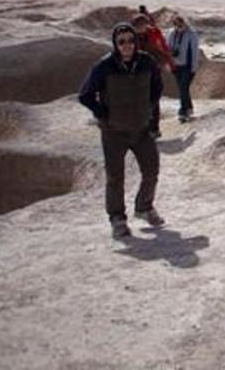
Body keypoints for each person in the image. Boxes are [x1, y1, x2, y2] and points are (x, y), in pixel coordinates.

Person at [78, 23, 165, 238]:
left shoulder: (147, 62)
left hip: (141, 129)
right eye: (122, 41)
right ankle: (117, 218)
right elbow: (85, 95)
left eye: (131, 40)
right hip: (114, 132)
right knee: (115, 177)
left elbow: (157, 88)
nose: (127, 45)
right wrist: (103, 114)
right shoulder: (104, 66)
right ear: (116, 44)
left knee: (152, 170)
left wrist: (150, 112)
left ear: (136, 41)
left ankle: (144, 207)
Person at [167, 14, 200, 123]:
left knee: (183, 88)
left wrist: (194, 68)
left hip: (188, 66)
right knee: (183, 89)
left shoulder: (191, 34)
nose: (178, 26)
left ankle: (183, 111)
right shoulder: (172, 34)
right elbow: (167, 48)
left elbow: (195, 52)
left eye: (180, 24)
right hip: (176, 65)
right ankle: (189, 108)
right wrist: (170, 61)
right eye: (175, 24)